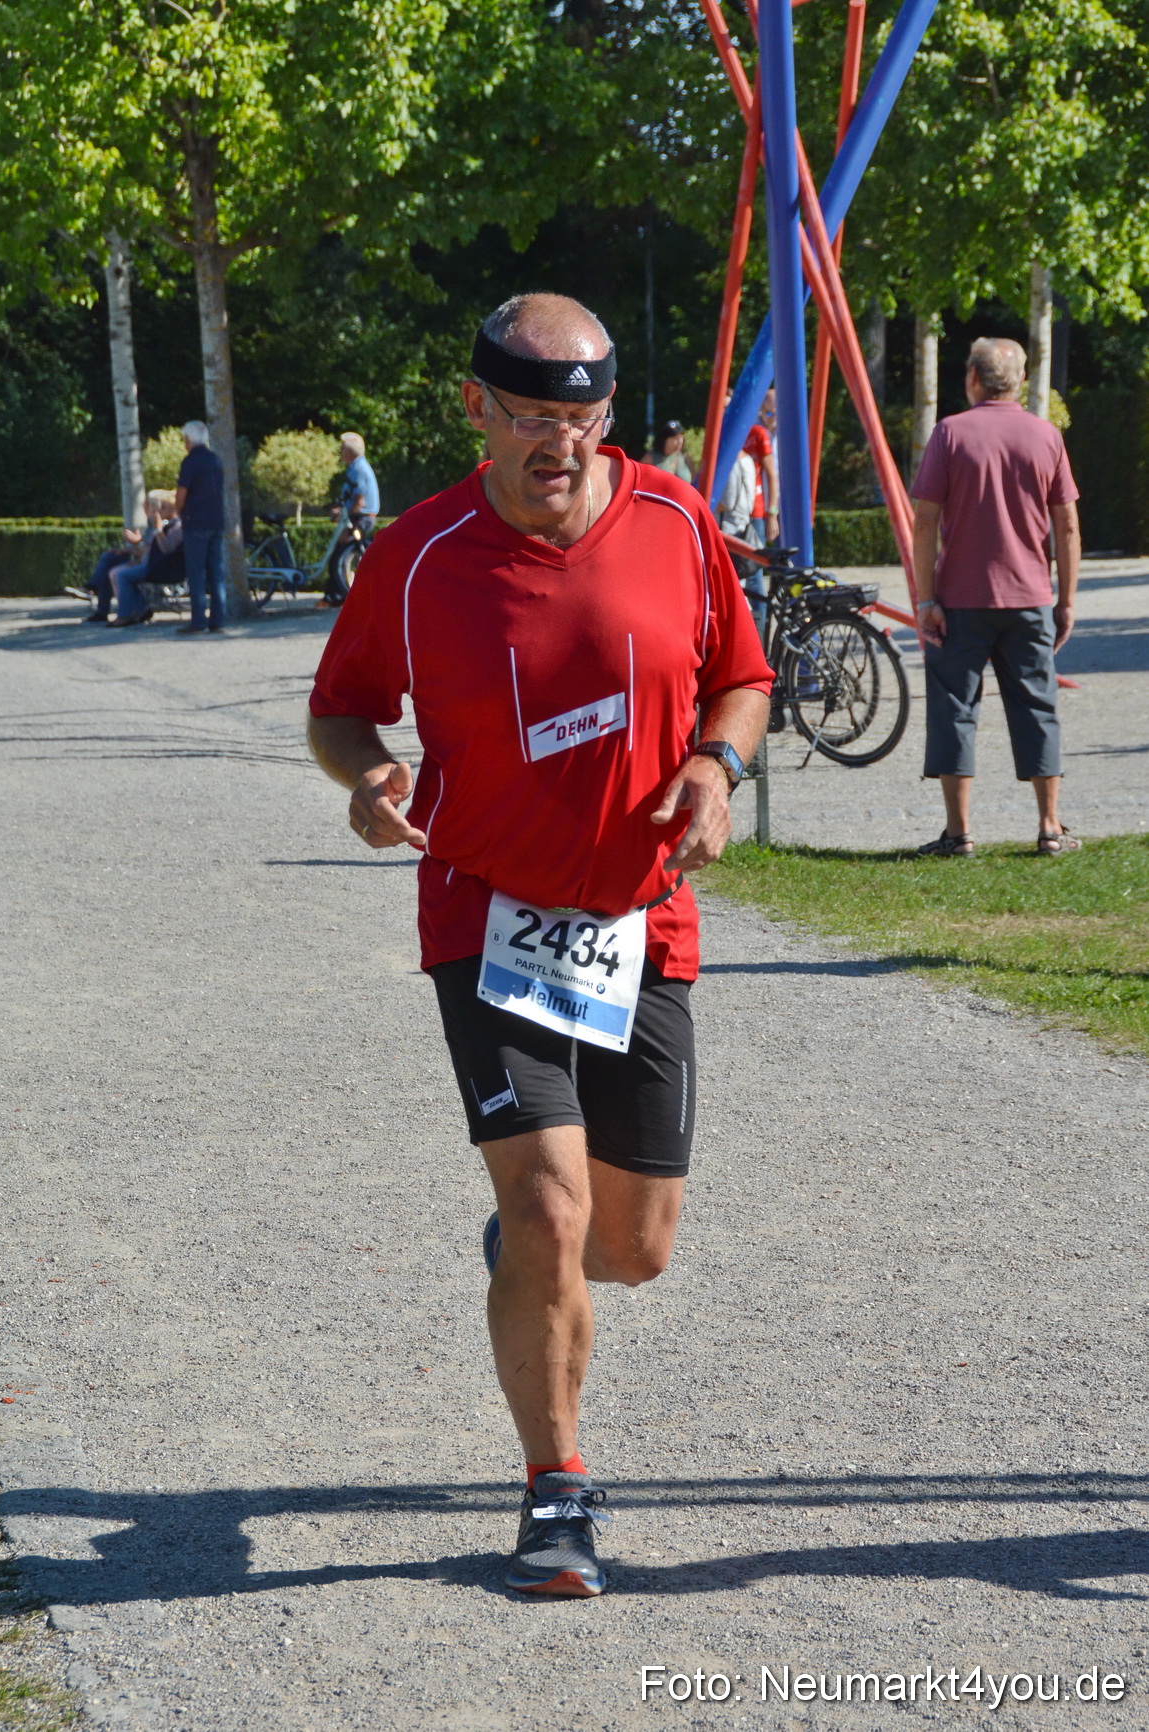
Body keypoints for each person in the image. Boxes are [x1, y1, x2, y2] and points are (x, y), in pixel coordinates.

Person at [307, 292, 771, 1598]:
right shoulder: (417, 555)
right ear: (477, 413)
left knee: (628, 1245)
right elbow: (343, 709)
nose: (559, 445)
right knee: (550, 1208)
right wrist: (366, 777)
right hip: (484, 912)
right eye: (530, 419)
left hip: (641, 919)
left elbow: (740, 674)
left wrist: (717, 767)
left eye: (582, 418)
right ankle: (554, 1491)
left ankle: (526, 1255)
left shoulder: (676, 524)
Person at [911, 336, 1081, 857]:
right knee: (1038, 707)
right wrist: (1067, 600)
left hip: (961, 598)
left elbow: (925, 519)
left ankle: (958, 833)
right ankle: (1050, 827)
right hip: (1029, 597)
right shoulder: (1045, 435)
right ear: (1023, 381)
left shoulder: (950, 433)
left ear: (971, 378)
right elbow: (1068, 524)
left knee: (953, 708)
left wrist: (924, 600)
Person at [174, 421, 226, 635]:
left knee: (196, 573)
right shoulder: (215, 460)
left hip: (195, 522)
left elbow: (181, 494)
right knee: (216, 572)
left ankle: (198, 621)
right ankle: (218, 620)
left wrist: (180, 511)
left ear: (188, 439)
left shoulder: (190, 461)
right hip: (216, 521)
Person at [320, 433, 380, 608]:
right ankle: (334, 597)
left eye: (342, 450)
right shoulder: (357, 467)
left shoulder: (358, 469)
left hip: (360, 519)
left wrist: (346, 518)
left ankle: (337, 598)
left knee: (339, 559)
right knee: (338, 556)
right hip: (360, 517)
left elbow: (359, 501)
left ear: (349, 452)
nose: (340, 453)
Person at [110, 492, 185, 626]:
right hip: (156, 565)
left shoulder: (178, 526)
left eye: (157, 508)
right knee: (120, 572)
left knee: (122, 575)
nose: (154, 511)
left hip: (165, 568)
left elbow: (166, 549)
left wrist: (158, 530)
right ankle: (140, 610)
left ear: (166, 508)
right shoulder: (167, 525)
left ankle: (125, 615)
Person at [743, 413, 780, 549]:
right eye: (769, 413)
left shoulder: (757, 433)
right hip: (729, 512)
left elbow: (772, 475)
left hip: (756, 509)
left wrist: (772, 513)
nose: (773, 417)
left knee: (753, 563)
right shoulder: (722, 431)